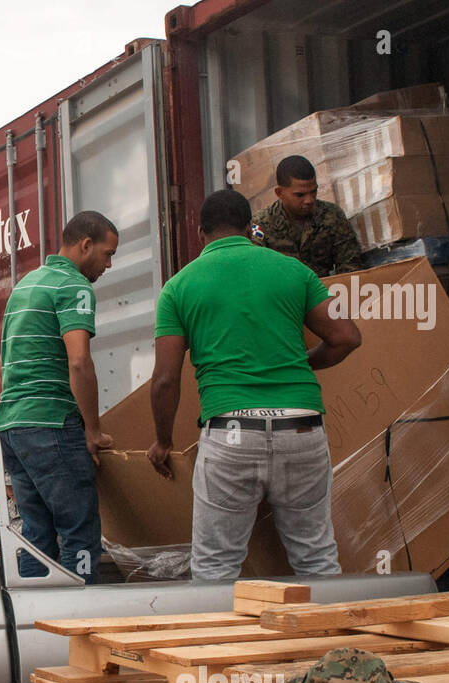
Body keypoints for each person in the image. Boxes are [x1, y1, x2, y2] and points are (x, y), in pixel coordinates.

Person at [146, 188, 362, 581]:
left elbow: (164, 380)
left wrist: (162, 441)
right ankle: (331, 642)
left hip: (230, 433)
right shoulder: (294, 271)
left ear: (199, 233)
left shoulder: (178, 287)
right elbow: (347, 336)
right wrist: (302, 365)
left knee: (215, 568)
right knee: (316, 560)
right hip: (301, 426)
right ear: (250, 228)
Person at [0, 210, 118, 584]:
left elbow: (4, 365)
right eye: (107, 253)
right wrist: (92, 431)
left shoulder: (25, 285)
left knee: (37, 534)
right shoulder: (74, 286)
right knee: (79, 527)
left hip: (12, 424)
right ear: (85, 245)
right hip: (50, 423)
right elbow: (79, 361)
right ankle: (79, 615)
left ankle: (36, 621)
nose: (108, 264)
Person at [251, 155, 363, 277]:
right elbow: (256, 272)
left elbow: (351, 264)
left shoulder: (331, 215)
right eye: (300, 195)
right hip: (283, 293)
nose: (309, 200)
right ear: (280, 193)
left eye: (313, 191)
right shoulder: (261, 224)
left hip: (325, 291)